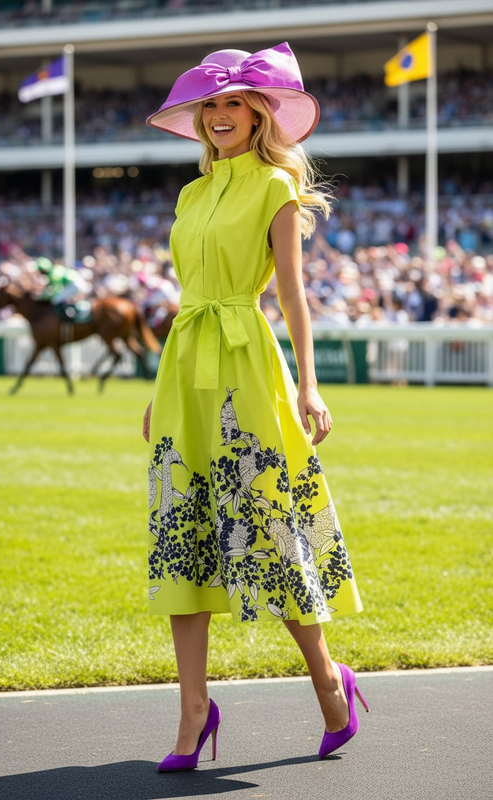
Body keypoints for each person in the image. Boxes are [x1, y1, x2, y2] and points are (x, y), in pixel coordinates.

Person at [143, 42, 367, 772]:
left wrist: (309, 383)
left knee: (273, 528)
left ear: (259, 113)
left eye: (232, 102)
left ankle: (328, 680)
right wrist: (158, 393)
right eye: (209, 104)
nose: (217, 115)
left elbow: (293, 295)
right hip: (185, 369)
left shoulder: (274, 183)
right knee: (185, 531)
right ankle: (192, 714)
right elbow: (187, 297)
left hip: (247, 359)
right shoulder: (188, 194)